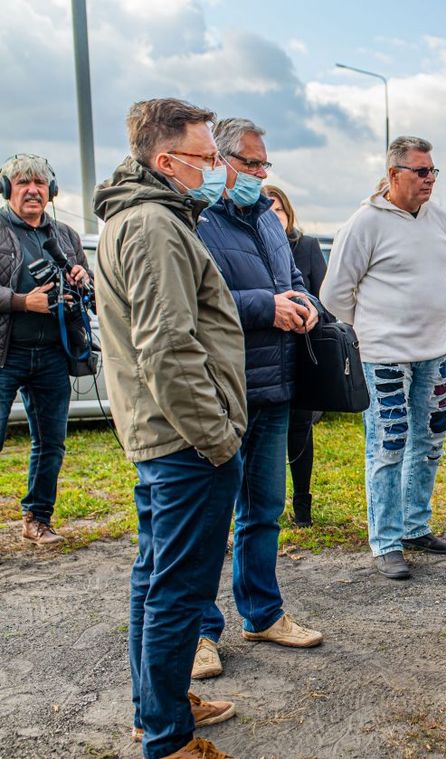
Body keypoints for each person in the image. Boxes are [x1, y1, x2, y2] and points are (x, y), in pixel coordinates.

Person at [93, 97, 244, 759]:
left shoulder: (142, 216)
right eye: (207, 157)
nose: (218, 168)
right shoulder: (154, 224)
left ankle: (156, 706)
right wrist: (215, 436)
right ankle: (168, 738)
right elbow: (167, 347)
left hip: (163, 436)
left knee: (156, 580)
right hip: (185, 442)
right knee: (178, 590)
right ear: (165, 161)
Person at [191, 118, 325, 682]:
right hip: (223, 391)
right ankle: (197, 632)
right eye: (251, 164)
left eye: (265, 165)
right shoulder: (195, 220)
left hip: (274, 389)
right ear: (219, 163)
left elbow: (293, 276)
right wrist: (267, 306)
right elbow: (205, 299)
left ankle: (262, 612)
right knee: (207, 520)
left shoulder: (268, 219)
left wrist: (305, 302)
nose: (261, 175)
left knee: (263, 511)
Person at [321, 135, 446, 581]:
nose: (430, 179)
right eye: (421, 171)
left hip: (434, 354)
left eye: (433, 170)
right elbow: (334, 293)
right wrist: (371, 332)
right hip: (384, 359)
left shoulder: (440, 220)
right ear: (394, 174)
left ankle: (416, 526)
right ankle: (386, 540)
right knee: (388, 446)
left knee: (430, 443)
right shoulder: (364, 223)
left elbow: (442, 273)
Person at [0, 154, 91, 546]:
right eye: (23, 183)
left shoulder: (67, 236)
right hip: (5, 354)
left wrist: (81, 283)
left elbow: (86, 293)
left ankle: (38, 518)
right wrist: (22, 302)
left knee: (51, 442)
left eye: (39, 184)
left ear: (51, 191)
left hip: (52, 353)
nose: (32, 191)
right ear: (8, 190)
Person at [264, 183, 327, 528]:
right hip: (263, 357)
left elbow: (322, 295)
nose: (273, 218)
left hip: (302, 352)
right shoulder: (254, 248)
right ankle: (266, 504)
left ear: (288, 214)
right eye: (267, 211)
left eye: (279, 211)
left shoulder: (306, 246)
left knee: (300, 429)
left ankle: (303, 503)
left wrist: (311, 310)